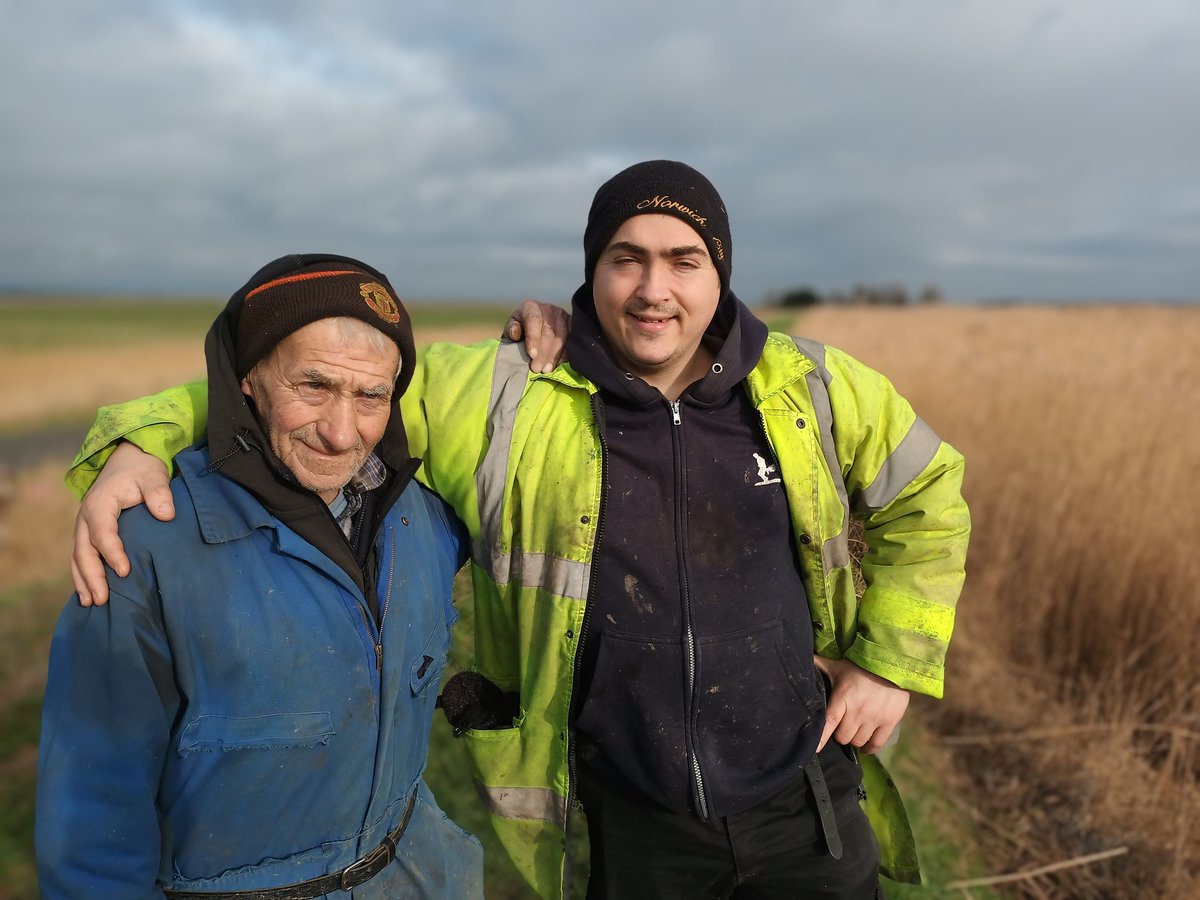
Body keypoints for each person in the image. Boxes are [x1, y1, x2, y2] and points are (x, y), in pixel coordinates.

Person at [66, 162, 971, 899]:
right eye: (626, 258)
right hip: (625, 817)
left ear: (719, 272)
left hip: (803, 801)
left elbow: (930, 493)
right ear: (591, 270)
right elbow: (317, 377)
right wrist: (140, 439)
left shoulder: (811, 385)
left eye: (683, 258)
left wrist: (890, 663)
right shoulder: (502, 390)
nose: (654, 288)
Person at [37, 254, 491, 898]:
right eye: (313, 387)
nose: (341, 433)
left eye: (371, 396)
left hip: (414, 873)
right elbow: (92, 801)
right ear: (247, 378)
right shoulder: (146, 546)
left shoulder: (424, 520)